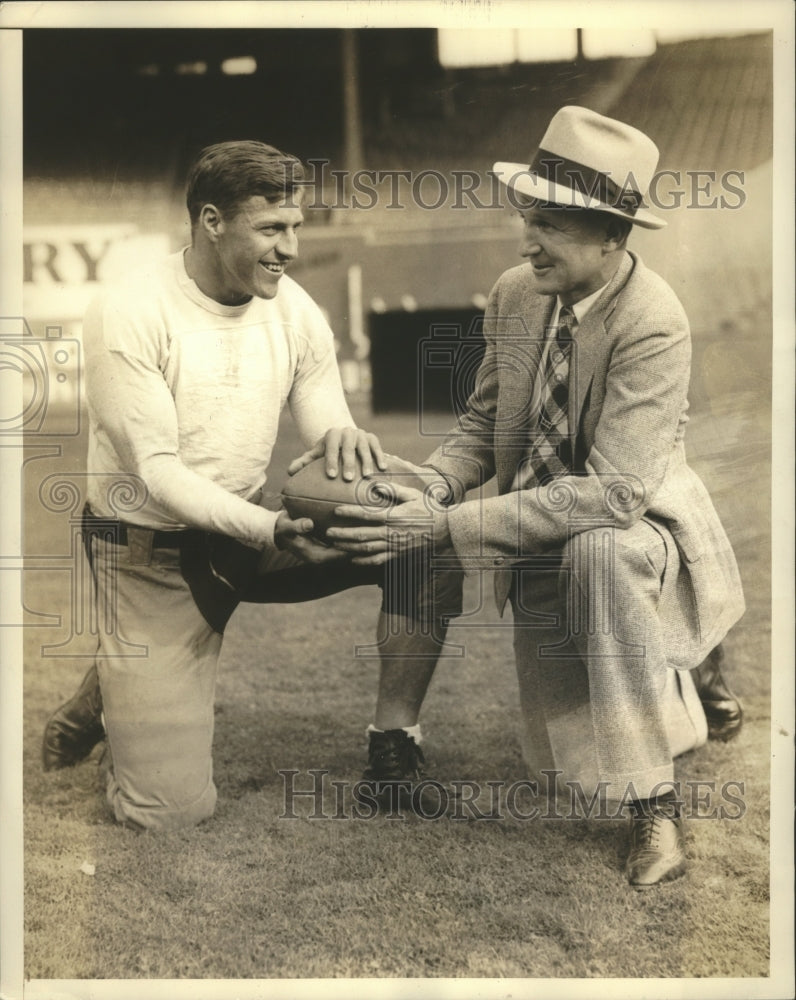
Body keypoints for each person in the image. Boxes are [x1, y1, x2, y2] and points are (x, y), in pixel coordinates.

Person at [328, 106, 746, 887]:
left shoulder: (655, 321)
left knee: (597, 552)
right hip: (540, 513)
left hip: (635, 518)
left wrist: (446, 525)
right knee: (419, 524)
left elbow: (614, 493)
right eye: (528, 217)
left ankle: (655, 806)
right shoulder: (516, 292)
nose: (526, 241)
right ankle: (398, 741)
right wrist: (433, 485)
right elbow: (487, 421)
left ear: (613, 238)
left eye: (550, 224)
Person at [40, 139, 416, 830]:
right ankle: (120, 695)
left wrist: (340, 436)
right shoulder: (130, 309)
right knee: (170, 814)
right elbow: (158, 474)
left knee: (420, 541)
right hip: (150, 554)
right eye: (272, 228)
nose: (291, 248)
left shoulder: (292, 306)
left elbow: (322, 408)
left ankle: (395, 742)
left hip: (246, 531)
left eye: (296, 227)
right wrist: (269, 527)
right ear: (212, 221)